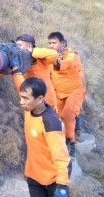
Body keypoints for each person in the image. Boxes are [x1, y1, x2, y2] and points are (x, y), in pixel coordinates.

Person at [10, 66, 71, 197]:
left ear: (39, 99)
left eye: (25, 98)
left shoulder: (50, 123)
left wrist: (62, 185)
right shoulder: (29, 108)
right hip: (34, 175)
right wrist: (15, 71)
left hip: (53, 180)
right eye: (21, 97)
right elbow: (20, 85)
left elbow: (61, 157)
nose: (21, 102)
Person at [48, 32, 86, 157]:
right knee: (58, 119)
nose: (51, 45)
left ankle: (70, 143)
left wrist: (56, 62)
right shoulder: (50, 55)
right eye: (49, 43)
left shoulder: (71, 54)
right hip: (58, 93)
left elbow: (67, 62)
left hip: (74, 91)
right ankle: (67, 143)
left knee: (68, 115)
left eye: (54, 43)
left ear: (62, 43)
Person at [15, 33, 58, 109]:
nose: (16, 48)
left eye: (19, 45)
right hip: (29, 104)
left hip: (47, 104)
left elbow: (54, 55)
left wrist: (33, 52)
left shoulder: (41, 58)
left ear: (29, 46)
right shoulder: (17, 60)